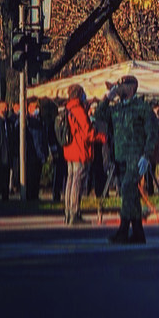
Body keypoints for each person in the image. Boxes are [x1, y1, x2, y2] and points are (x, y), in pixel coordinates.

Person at [94, 75, 159, 245]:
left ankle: (123, 230)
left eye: (121, 86)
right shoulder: (117, 108)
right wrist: (108, 97)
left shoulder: (142, 107)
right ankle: (138, 232)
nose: (118, 89)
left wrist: (146, 155)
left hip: (136, 157)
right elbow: (98, 114)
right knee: (130, 194)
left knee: (127, 188)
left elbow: (152, 132)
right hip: (120, 157)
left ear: (131, 88)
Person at [61, 83, 94, 225]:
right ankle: (74, 212)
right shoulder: (78, 110)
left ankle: (68, 212)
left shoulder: (67, 108)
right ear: (79, 94)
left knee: (70, 180)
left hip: (69, 149)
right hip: (80, 149)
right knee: (77, 182)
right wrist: (101, 136)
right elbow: (87, 132)